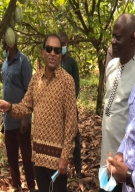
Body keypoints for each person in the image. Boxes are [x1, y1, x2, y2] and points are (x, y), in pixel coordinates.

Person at [0, 34, 77, 192]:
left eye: (57, 49)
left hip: (57, 158)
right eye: (49, 49)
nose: (53, 53)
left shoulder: (67, 82)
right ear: (43, 52)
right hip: (39, 155)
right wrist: (10, 107)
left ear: (61, 54)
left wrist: (65, 156)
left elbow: (71, 122)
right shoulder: (36, 79)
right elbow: (25, 107)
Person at [99, 14, 135, 192]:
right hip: (106, 157)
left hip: (126, 163)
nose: (113, 42)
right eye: (112, 37)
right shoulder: (111, 65)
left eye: (118, 37)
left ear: (132, 39)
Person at [0, 35, 35, 192]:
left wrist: (25, 118)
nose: (3, 48)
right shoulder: (4, 64)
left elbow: (29, 91)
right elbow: (5, 91)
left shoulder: (23, 62)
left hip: (21, 120)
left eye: (5, 45)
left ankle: (31, 185)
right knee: (11, 157)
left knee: (27, 156)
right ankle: (16, 185)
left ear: (12, 43)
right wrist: (3, 118)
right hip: (8, 119)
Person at [59, 31, 82, 178]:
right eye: (60, 44)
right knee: (60, 140)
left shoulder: (71, 63)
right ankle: (63, 168)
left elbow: (77, 86)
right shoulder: (54, 63)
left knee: (75, 138)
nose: (62, 47)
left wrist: (69, 104)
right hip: (57, 110)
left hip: (71, 109)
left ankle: (79, 170)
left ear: (67, 45)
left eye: (63, 44)